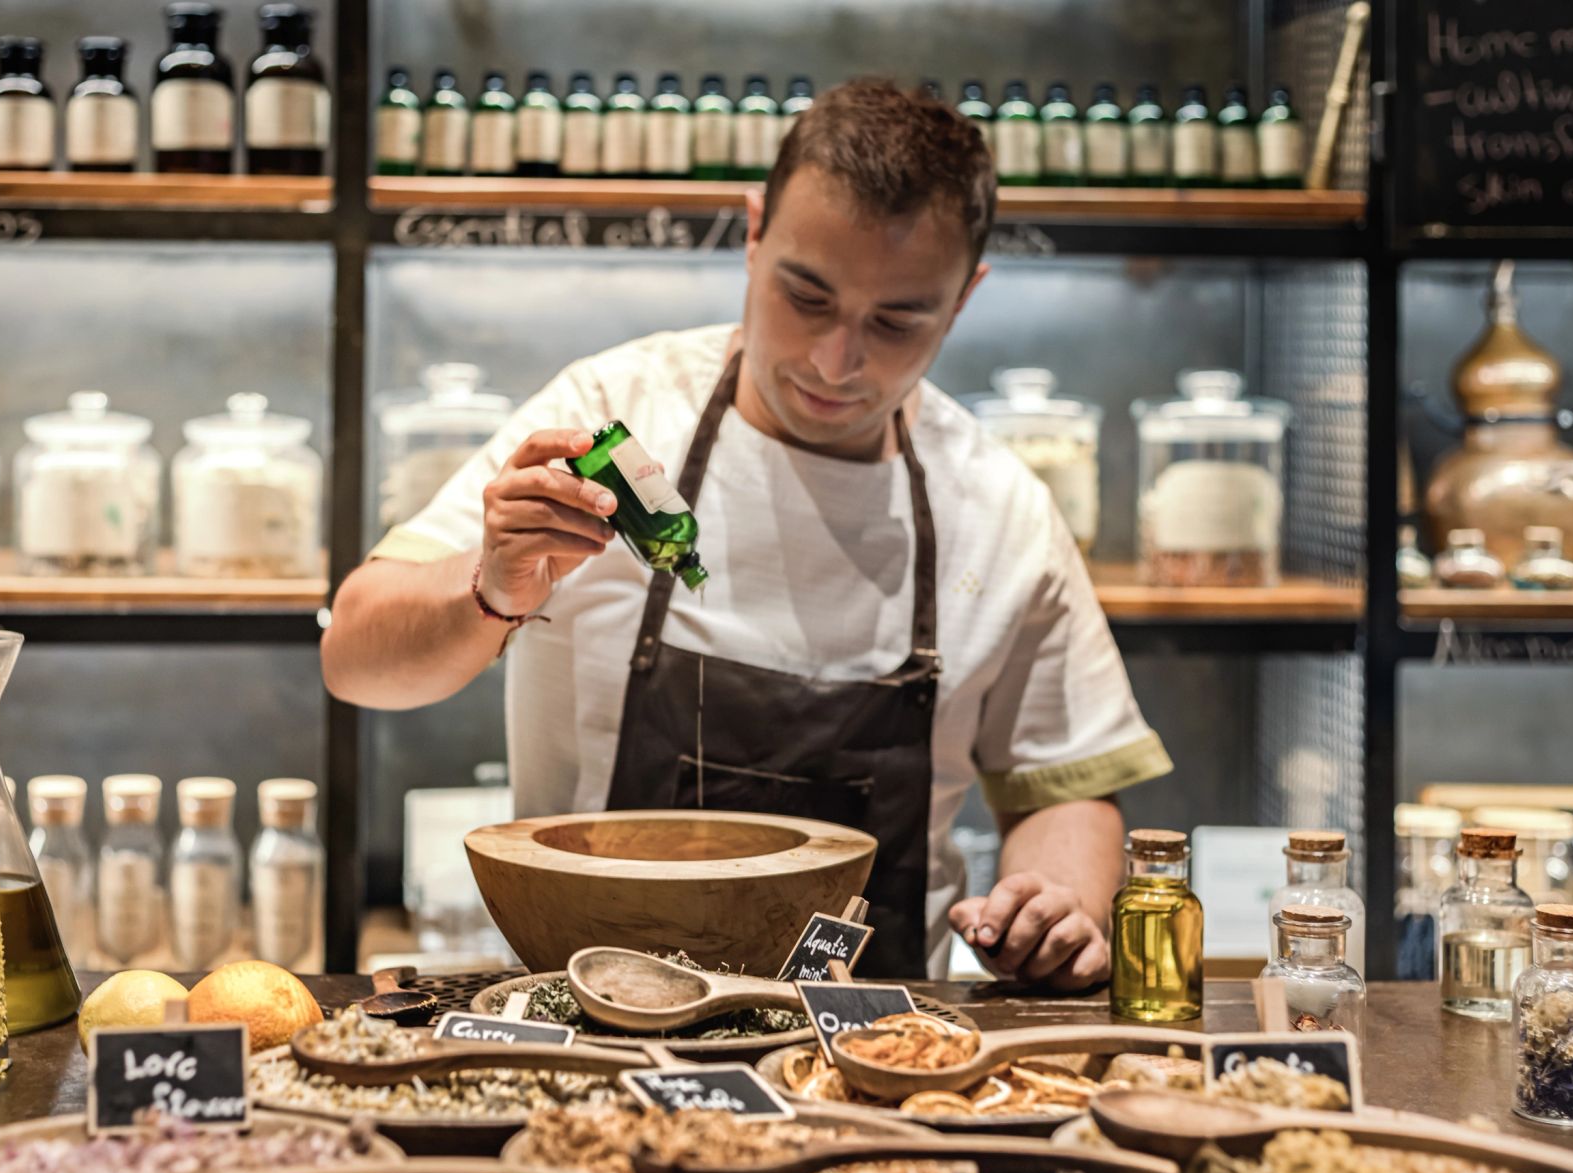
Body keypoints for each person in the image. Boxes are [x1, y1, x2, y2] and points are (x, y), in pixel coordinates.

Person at [323, 78, 1170, 982]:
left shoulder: (1000, 507)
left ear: (964, 298)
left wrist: (1056, 903)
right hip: (591, 1020)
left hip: (874, 1049)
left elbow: (1066, 787)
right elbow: (357, 660)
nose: (834, 361)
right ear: (754, 232)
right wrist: (488, 589)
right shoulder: (613, 420)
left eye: (896, 320)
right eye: (806, 296)